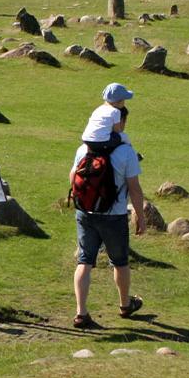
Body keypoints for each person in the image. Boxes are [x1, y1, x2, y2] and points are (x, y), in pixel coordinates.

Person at [69, 85, 146, 329]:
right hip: (113, 216)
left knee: (85, 261)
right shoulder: (125, 152)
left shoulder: (84, 149)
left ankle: (81, 313)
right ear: (119, 124)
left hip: (86, 212)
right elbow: (134, 188)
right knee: (120, 261)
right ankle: (125, 305)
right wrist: (141, 217)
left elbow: (73, 176)